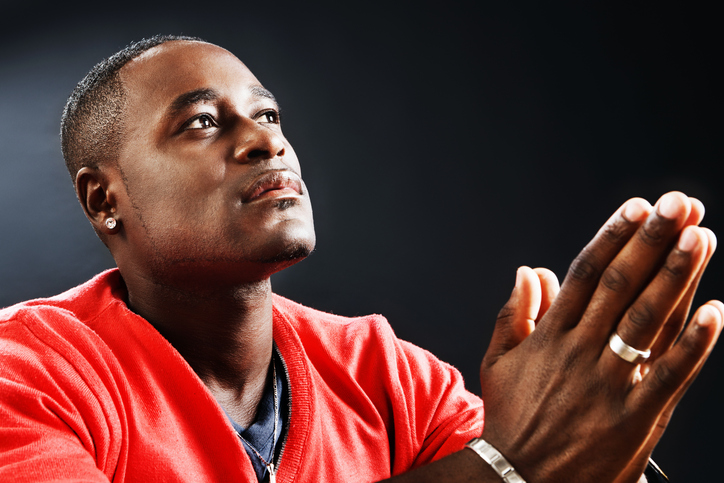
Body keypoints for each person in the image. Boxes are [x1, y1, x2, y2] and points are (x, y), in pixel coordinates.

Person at [0, 34, 720, 483]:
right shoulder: (25, 372)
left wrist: (604, 439)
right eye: (203, 123)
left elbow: (565, 463)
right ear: (104, 200)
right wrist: (510, 466)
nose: (265, 141)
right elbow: (520, 464)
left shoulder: (389, 373)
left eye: (270, 116)